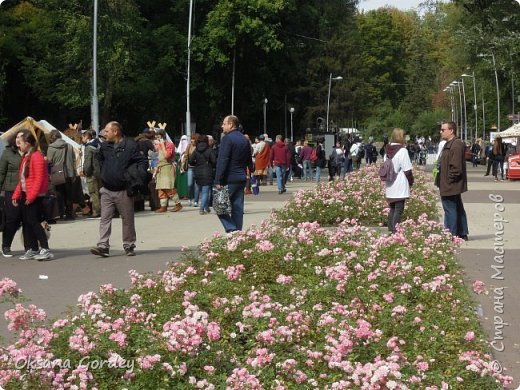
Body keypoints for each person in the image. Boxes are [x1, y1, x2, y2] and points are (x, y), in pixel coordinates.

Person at [90, 121, 147, 257]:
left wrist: (137, 175)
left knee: (127, 219)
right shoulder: (104, 146)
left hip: (123, 189)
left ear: (115, 132)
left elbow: (142, 161)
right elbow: (99, 160)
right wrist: (103, 174)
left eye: (107, 131)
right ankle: (103, 246)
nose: (104, 133)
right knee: (105, 218)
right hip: (107, 189)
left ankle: (129, 245)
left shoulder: (131, 145)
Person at [12, 130, 54, 260]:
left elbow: (39, 179)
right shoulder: (26, 156)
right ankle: (34, 249)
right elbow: (22, 180)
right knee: (28, 222)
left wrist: (31, 196)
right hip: (26, 194)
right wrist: (16, 194)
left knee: (34, 222)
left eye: (21, 140)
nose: (18, 142)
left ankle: (45, 249)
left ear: (28, 142)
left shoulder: (36, 156)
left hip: (35, 195)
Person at [214, 115, 254, 233]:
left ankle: (232, 229)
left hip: (228, 178)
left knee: (219, 206)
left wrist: (218, 180)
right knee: (237, 208)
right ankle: (238, 233)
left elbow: (223, 160)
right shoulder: (244, 139)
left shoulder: (227, 139)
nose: (222, 126)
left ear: (231, 124)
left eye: (224, 124)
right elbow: (249, 160)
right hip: (241, 177)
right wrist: (251, 171)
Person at [438, 121, 468, 240]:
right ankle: (461, 232)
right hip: (449, 183)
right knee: (456, 207)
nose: (441, 132)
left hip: (450, 184)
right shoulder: (449, 143)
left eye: (443, 130)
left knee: (450, 208)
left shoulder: (456, 144)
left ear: (451, 131)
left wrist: (449, 180)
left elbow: (456, 167)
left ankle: (451, 234)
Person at [383, 128, 414, 233]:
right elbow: (407, 170)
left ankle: (391, 229)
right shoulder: (402, 151)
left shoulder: (387, 150)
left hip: (390, 184)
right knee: (399, 209)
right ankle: (396, 231)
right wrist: (411, 182)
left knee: (392, 208)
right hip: (400, 183)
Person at [46, 130, 81, 220]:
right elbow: (74, 160)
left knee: (59, 194)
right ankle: (69, 214)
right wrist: (73, 173)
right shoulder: (69, 146)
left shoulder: (51, 147)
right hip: (69, 173)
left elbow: (49, 161)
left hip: (57, 174)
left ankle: (61, 214)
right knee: (69, 195)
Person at [0, 135, 23, 257]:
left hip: (27, 190)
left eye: (22, 137)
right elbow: (1, 173)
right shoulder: (7, 153)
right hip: (11, 190)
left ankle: (30, 247)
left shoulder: (28, 152)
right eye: (17, 138)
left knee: (27, 220)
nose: (19, 140)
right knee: (12, 220)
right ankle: (6, 245)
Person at [153, 129, 182, 213]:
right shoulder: (158, 145)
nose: (156, 138)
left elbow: (166, 156)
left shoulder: (170, 145)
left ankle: (178, 204)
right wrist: (156, 169)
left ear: (162, 136)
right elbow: (158, 157)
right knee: (161, 188)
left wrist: (162, 145)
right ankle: (163, 206)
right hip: (160, 167)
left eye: (158, 136)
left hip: (167, 167)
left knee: (169, 187)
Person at [189, 134, 216, 214]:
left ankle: (207, 208)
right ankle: (201, 209)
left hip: (197, 172)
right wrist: (211, 165)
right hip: (207, 172)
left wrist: (196, 164)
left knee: (201, 190)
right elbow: (214, 161)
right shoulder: (210, 150)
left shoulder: (196, 150)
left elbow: (190, 161)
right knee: (205, 192)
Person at [81, 130, 102, 218]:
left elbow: (88, 163)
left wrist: (86, 171)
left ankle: (96, 211)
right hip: (100, 172)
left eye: (83, 137)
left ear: (87, 137)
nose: (82, 139)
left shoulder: (88, 147)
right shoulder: (99, 145)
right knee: (100, 192)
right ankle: (104, 210)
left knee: (93, 192)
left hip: (92, 173)